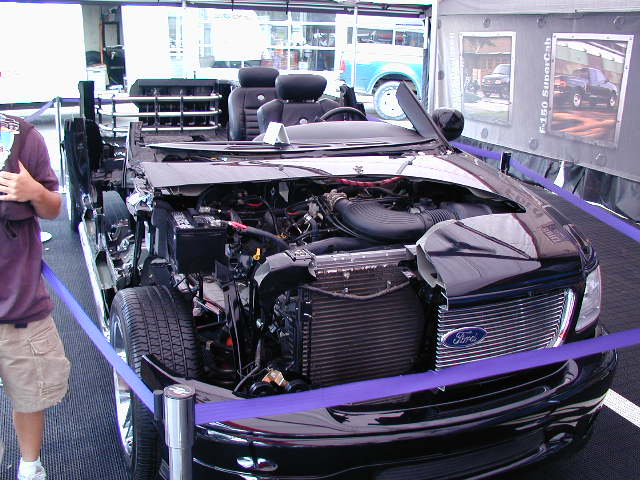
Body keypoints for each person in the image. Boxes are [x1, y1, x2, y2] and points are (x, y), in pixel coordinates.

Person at [0, 113, 70, 480]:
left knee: (30, 393)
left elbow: (53, 207)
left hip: (19, 305)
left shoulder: (22, 137)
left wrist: (34, 192)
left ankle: (30, 466)